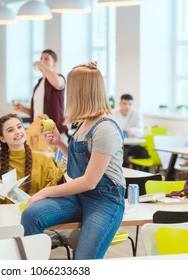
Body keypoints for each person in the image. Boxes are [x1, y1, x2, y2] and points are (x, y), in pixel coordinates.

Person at [21, 61, 125, 260]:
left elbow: (89, 180)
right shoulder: (86, 122)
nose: (67, 93)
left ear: (82, 92)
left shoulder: (106, 128)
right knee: (31, 215)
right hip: (80, 195)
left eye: (71, 87)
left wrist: (44, 192)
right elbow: (83, 164)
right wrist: (60, 144)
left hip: (104, 201)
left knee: (83, 262)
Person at [0, 113, 61, 205]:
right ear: (3, 139)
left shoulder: (44, 159)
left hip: (37, 209)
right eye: (10, 130)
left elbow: (54, 186)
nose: (17, 132)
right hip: (4, 213)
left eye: (19, 127)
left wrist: (62, 169)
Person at [12, 49, 69, 139]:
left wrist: (40, 65)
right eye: (41, 58)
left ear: (54, 64)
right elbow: (37, 112)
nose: (42, 61)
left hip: (54, 133)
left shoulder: (60, 78)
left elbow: (56, 83)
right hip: (37, 132)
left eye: (46, 59)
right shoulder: (38, 84)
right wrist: (22, 108)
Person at [113, 93, 147, 165]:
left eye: (130, 104)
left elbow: (141, 132)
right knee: (123, 153)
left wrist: (132, 131)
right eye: (124, 104)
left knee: (143, 153)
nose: (127, 107)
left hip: (133, 144)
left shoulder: (137, 113)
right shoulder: (114, 113)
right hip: (119, 145)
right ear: (120, 104)